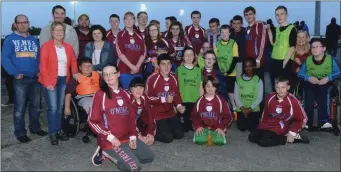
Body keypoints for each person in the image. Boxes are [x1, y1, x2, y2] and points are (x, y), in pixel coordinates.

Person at [89, 64, 154, 171]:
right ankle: (105, 151)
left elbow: (131, 119)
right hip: (110, 140)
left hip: (126, 139)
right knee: (134, 167)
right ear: (103, 77)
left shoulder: (126, 94)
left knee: (149, 157)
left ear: (118, 74)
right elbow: (92, 122)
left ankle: (125, 153)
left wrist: (133, 137)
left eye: (111, 73)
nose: (108, 76)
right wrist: (110, 137)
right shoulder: (100, 94)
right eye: (105, 74)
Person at [2, 14, 47, 143]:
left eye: (25, 22)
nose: (22, 24)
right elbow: (5, 59)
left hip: (35, 79)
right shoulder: (10, 39)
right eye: (19, 22)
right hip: (20, 79)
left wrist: (39, 70)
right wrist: (15, 73)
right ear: (15, 24)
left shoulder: (34, 39)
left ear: (28, 23)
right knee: (20, 108)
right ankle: (20, 132)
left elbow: (39, 57)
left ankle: (35, 128)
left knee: (36, 106)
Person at [39, 21, 78, 145]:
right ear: (52, 32)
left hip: (63, 80)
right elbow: (43, 67)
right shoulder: (46, 46)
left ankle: (58, 130)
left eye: (61, 30)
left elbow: (73, 61)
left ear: (64, 32)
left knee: (60, 108)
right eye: (56, 30)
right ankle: (52, 133)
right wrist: (47, 82)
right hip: (50, 80)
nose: (59, 32)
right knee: (53, 107)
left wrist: (75, 72)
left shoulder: (68, 47)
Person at [248, 77, 309, 147]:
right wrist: (261, 126)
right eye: (277, 87)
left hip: (280, 126)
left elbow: (303, 118)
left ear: (288, 87)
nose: (280, 90)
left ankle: (288, 138)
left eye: (283, 87)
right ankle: (271, 136)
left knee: (263, 141)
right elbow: (265, 114)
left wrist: (292, 132)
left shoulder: (293, 101)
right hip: (267, 124)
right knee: (251, 137)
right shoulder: (270, 97)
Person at [298, 38, 341, 132]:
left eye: (317, 46)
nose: (314, 49)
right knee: (308, 92)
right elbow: (300, 73)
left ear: (324, 48)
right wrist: (308, 78)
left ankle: (324, 121)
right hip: (311, 82)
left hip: (326, 83)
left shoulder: (331, 60)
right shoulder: (308, 60)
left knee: (323, 90)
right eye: (312, 47)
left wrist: (327, 78)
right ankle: (307, 121)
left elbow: (338, 73)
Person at [145, 54, 186, 143]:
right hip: (157, 114)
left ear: (171, 65)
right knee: (168, 138)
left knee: (179, 134)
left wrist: (179, 106)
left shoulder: (174, 77)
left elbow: (176, 95)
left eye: (168, 64)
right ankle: (153, 131)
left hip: (170, 113)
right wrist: (164, 99)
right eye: (163, 64)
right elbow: (148, 98)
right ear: (158, 66)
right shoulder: (152, 79)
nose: (166, 67)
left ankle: (166, 128)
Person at [191, 76, 232, 145]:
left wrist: (221, 127)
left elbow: (228, 116)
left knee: (220, 142)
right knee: (199, 141)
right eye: (208, 86)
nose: (210, 89)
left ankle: (216, 134)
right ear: (204, 87)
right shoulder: (200, 100)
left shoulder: (221, 100)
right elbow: (194, 115)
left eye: (213, 86)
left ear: (216, 87)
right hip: (203, 127)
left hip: (217, 127)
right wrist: (197, 126)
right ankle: (200, 134)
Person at [267, 6, 297, 91]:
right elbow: (273, 43)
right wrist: (269, 31)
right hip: (274, 61)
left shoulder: (291, 29)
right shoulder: (276, 29)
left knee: (284, 87)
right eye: (277, 15)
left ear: (286, 15)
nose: (279, 17)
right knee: (275, 87)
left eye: (281, 14)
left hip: (285, 62)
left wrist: (285, 62)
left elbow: (292, 47)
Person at [176, 47, 203, 132]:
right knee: (184, 128)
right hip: (183, 102)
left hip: (194, 101)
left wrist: (201, 102)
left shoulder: (198, 70)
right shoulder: (178, 70)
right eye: (186, 55)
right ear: (183, 57)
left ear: (194, 56)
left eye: (191, 54)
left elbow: (201, 87)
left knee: (194, 127)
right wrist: (177, 104)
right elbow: (175, 87)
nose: (188, 56)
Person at [116, 12, 146, 89]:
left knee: (137, 94)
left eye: (131, 19)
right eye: (126, 19)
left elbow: (143, 52)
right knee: (126, 93)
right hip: (124, 71)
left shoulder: (139, 35)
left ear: (134, 21)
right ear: (124, 21)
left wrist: (137, 67)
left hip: (138, 71)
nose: (129, 21)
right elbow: (120, 53)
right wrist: (132, 67)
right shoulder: (120, 34)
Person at [234, 57, 263, 132]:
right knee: (242, 128)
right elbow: (236, 97)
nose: (248, 68)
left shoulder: (258, 80)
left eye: (250, 66)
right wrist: (243, 109)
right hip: (241, 109)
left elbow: (260, 98)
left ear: (254, 67)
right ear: (243, 68)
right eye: (246, 66)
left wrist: (250, 109)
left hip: (253, 109)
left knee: (253, 129)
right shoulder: (238, 80)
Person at [214, 24, 239, 112]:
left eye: (226, 32)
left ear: (229, 33)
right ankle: (224, 109)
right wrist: (220, 71)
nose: (224, 34)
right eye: (222, 32)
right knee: (222, 92)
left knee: (231, 92)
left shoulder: (233, 43)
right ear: (220, 33)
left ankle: (234, 109)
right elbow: (215, 60)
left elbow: (235, 59)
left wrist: (228, 72)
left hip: (231, 73)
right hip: (221, 73)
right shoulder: (216, 44)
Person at [129, 77, 156, 146]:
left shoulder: (144, 97)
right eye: (135, 87)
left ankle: (143, 133)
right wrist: (139, 136)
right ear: (130, 89)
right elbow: (130, 121)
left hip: (138, 122)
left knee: (148, 116)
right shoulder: (128, 99)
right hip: (127, 124)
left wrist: (150, 133)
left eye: (141, 87)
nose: (138, 90)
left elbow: (150, 115)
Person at [243, 6, 267, 81]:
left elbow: (263, 43)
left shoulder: (259, 26)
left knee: (259, 83)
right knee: (251, 84)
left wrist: (258, 59)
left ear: (254, 15)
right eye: (246, 15)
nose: (248, 16)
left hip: (257, 61)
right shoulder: (247, 29)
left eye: (250, 14)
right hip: (248, 62)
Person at [1, 23, 16, 106]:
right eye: (14, 28)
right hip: (9, 66)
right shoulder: (8, 38)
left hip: (20, 66)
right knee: (9, 82)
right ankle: (11, 100)